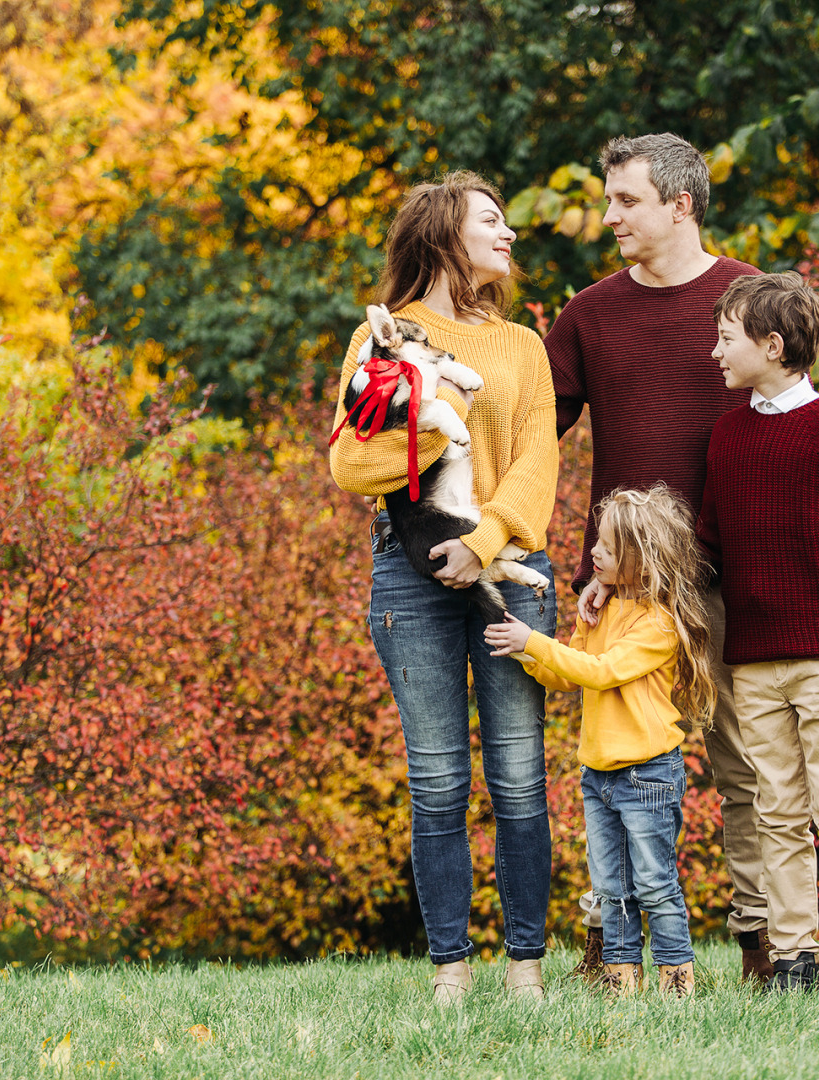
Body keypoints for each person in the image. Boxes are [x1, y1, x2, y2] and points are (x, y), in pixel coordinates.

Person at [546, 133, 774, 984]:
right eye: (609, 200)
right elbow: (537, 436)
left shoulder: (745, 299)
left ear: (681, 205)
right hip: (624, 593)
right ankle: (613, 943)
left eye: (626, 201)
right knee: (613, 767)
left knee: (741, 769)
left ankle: (761, 943)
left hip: (725, 586)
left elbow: (788, 428)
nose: (609, 218)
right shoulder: (590, 314)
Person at [328, 171, 560, 1004]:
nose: (508, 236)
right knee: (437, 780)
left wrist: (487, 537)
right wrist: (431, 431)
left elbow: (541, 459)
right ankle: (452, 972)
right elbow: (349, 463)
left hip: (509, 570)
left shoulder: (525, 345)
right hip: (412, 572)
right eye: (491, 221)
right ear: (442, 236)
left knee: (519, 776)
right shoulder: (384, 338)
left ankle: (526, 968)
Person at [698, 272, 819, 997]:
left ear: (772, 346)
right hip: (753, 663)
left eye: (725, 338)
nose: (714, 351)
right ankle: (791, 955)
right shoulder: (728, 434)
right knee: (776, 810)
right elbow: (711, 543)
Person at [484, 485, 715, 998]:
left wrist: (535, 642)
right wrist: (526, 652)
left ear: (638, 556)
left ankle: (677, 981)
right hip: (599, 776)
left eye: (607, 549)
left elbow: (603, 671)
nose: (594, 553)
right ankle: (620, 980)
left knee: (655, 885)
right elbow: (569, 676)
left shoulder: (658, 624)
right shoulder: (601, 610)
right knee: (611, 889)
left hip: (648, 774)